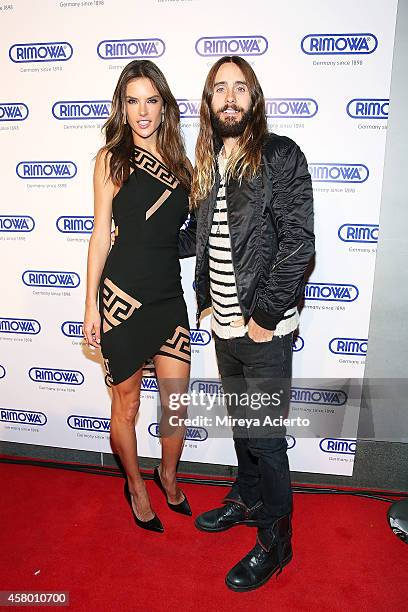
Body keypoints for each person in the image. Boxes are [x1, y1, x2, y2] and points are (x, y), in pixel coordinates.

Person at [186, 56, 315, 590]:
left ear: (254, 98)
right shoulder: (209, 160)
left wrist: (263, 316)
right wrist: (204, 298)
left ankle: (275, 542)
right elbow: (203, 237)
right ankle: (246, 496)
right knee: (244, 428)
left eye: (241, 88)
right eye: (221, 89)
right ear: (209, 102)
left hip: (264, 332)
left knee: (265, 438)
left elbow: (298, 242)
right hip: (223, 328)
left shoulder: (279, 155)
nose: (230, 98)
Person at [83, 59, 194, 533]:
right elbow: (99, 236)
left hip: (168, 297)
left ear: (164, 106)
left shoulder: (185, 165)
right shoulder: (111, 159)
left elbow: (187, 234)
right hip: (121, 298)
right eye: (133, 101)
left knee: (175, 404)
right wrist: (91, 305)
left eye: (152, 99)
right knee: (125, 405)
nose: (143, 110)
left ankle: (167, 476)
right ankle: (136, 485)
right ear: (122, 108)